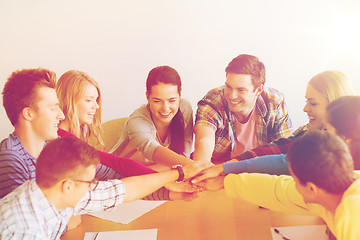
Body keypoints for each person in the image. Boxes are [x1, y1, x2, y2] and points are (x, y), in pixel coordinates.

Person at [0, 137, 205, 239]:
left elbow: (121, 189)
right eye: (90, 182)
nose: (94, 187)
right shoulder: (25, 229)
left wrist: (178, 176)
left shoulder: (53, 191)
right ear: (68, 185)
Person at [192, 70, 354, 182]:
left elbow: (285, 163)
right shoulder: (308, 132)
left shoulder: (341, 145)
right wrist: (228, 167)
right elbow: (279, 147)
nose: (305, 108)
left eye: (313, 103)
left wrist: (227, 171)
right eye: (306, 101)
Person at [196, 130, 360, 240]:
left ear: (311, 189)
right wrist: (226, 181)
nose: (292, 184)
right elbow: (278, 189)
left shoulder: (352, 220)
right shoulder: (332, 191)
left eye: (294, 180)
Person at [192, 54, 293, 164]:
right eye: (228, 87)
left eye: (241, 90)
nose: (232, 96)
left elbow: (286, 150)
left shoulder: (274, 102)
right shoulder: (213, 101)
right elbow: (204, 142)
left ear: (258, 90)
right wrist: (201, 166)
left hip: (259, 170)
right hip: (217, 169)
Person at [56, 70, 158, 178]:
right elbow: (112, 163)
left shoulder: (69, 138)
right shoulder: (62, 141)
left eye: (96, 100)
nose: (96, 106)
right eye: (88, 100)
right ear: (68, 101)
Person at [110, 66, 195, 171]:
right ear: (147, 97)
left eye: (172, 100)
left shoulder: (184, 108)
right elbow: (154, 151)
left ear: (179, 95)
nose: (165, 108)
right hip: (122, 174)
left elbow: (185, 152)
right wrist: (195, 166)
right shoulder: (137, 121)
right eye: (157, 101)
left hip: (163, 173)